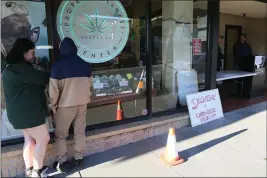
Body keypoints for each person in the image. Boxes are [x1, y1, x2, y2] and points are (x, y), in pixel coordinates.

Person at [2, 38, 50, 177]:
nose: (33, 55)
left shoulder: (9, 67)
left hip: (17, 113)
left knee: (29, 140)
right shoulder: (21, 68)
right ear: (24, 53)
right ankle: (38, 171)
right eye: (32, 52)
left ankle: (29, 169)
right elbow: (42, 79)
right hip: (29, 113)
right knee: (43, 138)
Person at [49, 37, 92, 173]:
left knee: (61, 135)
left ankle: (62, 161)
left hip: (65, 105)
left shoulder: (57, 66)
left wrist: (53, 105)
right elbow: (89, 85)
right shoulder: (85, 64)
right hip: (82, 103)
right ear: (75, 49)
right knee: (79, 131)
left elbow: (53, 90)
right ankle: (79, 158)